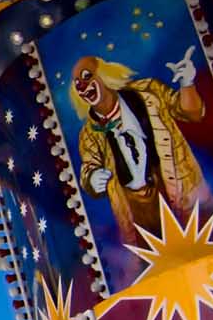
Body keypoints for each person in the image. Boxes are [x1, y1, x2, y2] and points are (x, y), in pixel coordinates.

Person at [70, 53, 206, 250]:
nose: (82, 85)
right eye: (76, 83)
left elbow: (191, 113)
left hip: (175, 188)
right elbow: (88, 167)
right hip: (135, 208)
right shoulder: (88, 134)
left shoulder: (149, 92)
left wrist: (187, 84)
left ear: (104, 74)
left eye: (87, 76)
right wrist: (91, 178)